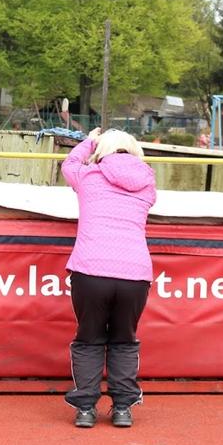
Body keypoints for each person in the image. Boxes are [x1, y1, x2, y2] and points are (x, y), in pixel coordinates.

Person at [61, 127, 156, 428]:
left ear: (102, 150)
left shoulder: (89, 177)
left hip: (91, 270)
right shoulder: (147, 181)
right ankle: (123, 408)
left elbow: (69, 165)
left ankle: (86, 409)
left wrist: (89, 140)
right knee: (124, 340)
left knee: (88, 339)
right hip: (134, 273)